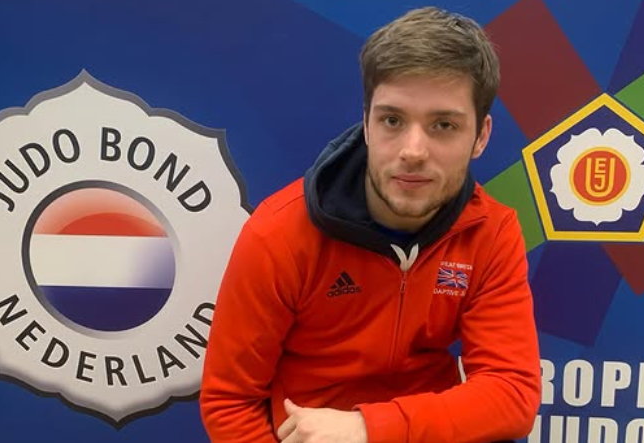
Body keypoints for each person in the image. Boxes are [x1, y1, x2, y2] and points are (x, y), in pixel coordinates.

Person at [200, 6, 541, 443]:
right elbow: (228, 402)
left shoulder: (490, 232)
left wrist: (367, 427)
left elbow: (512, 395)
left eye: (443, 125)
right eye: (392, 120)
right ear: (366, 123)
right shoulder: (280, 233)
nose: (414, 150)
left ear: (481, 136)